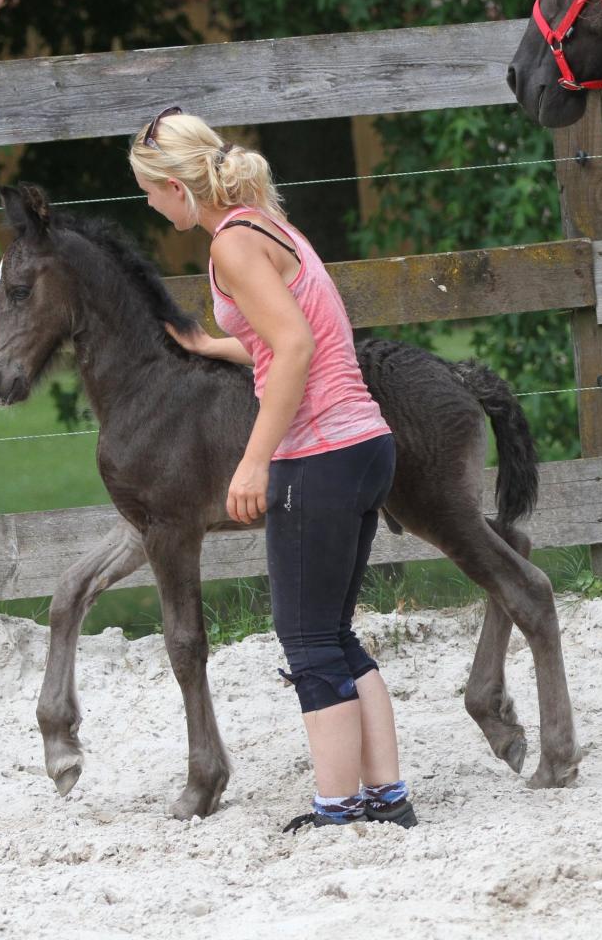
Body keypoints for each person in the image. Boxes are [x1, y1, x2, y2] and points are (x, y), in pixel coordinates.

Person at [128, 105, 417, 834]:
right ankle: (386, 799)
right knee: (336, 632)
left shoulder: (231, 245)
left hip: (317, 456)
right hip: (363, 445)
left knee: (306, 638)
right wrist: (207, 343)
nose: (150, 206)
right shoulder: (267, 222)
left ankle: (336, 809)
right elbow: (291, 334)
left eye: (150, 191)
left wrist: (254, 462)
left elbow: (294, 350)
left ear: (178, 186)